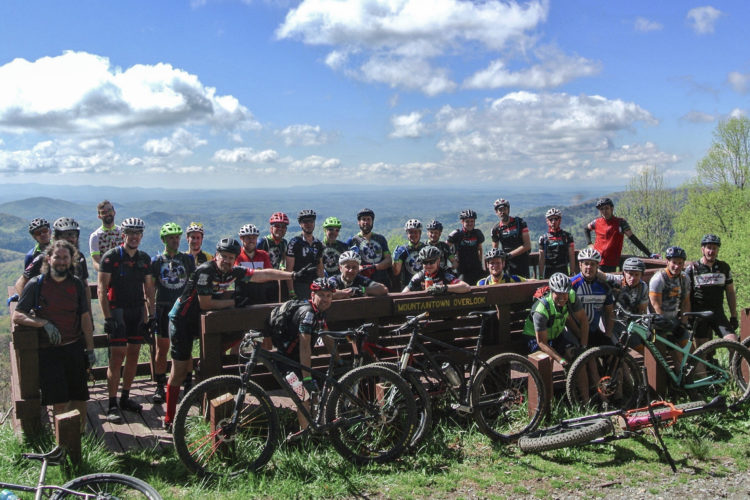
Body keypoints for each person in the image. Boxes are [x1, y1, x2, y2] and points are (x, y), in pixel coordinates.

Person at [163, 237, 310, 430]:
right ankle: (169, 419)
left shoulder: (232, 271)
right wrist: (233, 303)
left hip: (203, 320)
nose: (226, 261)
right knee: (180, 371)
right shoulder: (205, 271)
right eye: (223, 256)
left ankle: (199, 383)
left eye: (231, 257)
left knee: (230, 340)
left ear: (235, 259)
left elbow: (261, 274)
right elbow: (205, 303)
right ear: (216, 255)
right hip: (182, 320)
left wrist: (292, 276)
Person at [12, 240, 95, 431]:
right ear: (49, 259)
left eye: (66, 257)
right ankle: (63, 441)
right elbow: (18, 314)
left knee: (80, 396)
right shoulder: (36, 284)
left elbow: (84, 318)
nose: (61, 261)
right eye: (57, 257)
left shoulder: (75, 284)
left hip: (74, 346)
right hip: (50, 351)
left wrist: (89, 349)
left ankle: (80, 439)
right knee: (59, 400)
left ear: (71, 260)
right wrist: (44, 323)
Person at [98, 217, 155, 423]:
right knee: (117, 357)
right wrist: (107, 317)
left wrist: (152, 315)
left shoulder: (144, 259)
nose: (134, 237)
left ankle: (125, 398)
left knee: (133, 355)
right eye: (130, 233)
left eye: (137, 233)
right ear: (123, 235)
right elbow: (101, 289)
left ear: (141, 236)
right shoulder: (111, 257)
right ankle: (111, 403)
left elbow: (149, 289)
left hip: (137, 310)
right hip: (118, 310)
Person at [271, 277, 336, 431]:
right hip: (285, 362)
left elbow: (326, 336)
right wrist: (306, 377)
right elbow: (304, 346)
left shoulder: (319, 311)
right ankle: (306, 435)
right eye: (321, 295)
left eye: (329, 295)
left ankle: (311, 430)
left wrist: (338, 360)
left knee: (310, 394)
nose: (325, 299)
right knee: (303, 396)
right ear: (312, 295)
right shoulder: (308, 314)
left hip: (296, 361)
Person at [146, 222, 196, 404]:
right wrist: (150, 313)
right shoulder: (156, 261)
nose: (175, 241)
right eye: (171, 238)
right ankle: (160, 386)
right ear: (163, 240)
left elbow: (194, 283)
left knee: (187, 347)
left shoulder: (188, 259)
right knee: (162, 348)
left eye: (177, 237)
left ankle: (189, 385)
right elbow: (150, 289)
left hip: (183, 309)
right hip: (163, 307)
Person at [16, 218, 91, 313]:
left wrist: (88, 313)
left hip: (75, 313)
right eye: (65, 235)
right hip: (48, 314)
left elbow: (85, 287)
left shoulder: (80, 258)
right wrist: (28, 305)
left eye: (73, 235)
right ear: (57, 238)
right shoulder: (43, 258)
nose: (70, 238)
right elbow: (20, 283)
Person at [522, 273, 589, 370]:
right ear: (552, 291)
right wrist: (561, 360)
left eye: (565, 293)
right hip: (535, 338)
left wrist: (583, 347)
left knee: (577, 358)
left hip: (556, 336)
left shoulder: (571, 296)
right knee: (547, 360)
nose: (562, 297)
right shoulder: (541, 310)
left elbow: (583, 319)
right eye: (558, 293)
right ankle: (546, 385)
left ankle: (582, 385)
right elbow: (542, 342)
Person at [685, 234, 738, 345]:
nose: (711, 251)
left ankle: (733, 363)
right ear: (702, 249)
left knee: (734, 343)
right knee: (702, 352)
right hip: (699, 315)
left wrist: (733, 315)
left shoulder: (724, 267)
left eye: (714, 248)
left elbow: (730, 292)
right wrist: (688, 317)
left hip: (718, 313)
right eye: (709, 247)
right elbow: (686, 296)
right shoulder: (692, 268)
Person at [584, 197, 653, 272]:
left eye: (606, 208)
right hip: (596, 259)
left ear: (612, 208)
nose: (604, 211)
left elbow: (633, 238)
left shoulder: (620, 222)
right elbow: (586, 229)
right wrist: (590, 244)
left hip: (610, 262)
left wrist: (649, 253)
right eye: (601, 209)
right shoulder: (596, 222)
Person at [648, 246, 691, 365]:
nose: (677, 266)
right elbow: (656, 306)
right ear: (667, 262)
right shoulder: (658, 279)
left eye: (680, 263)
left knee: (690, 352)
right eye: (674, 262)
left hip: (675, 321)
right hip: (658, 323)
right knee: (666, 355)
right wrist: (669, 329)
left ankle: (696, 379)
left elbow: (686, 303)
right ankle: (673, 381)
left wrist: (683, 323)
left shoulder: (684, 278)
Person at [597, 257, 649, 351]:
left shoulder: (643, 287)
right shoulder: (617, 281)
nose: (633, 278)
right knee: (616, 351)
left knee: (644, 350)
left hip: (631, 324)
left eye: (637, 275)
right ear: (624, 272)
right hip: (612, 324)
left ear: (641, 275)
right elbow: (600, 274)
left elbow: (642, 311)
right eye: (630, 274)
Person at [570, 248, 617, 346]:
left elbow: (609, 312)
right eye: (586, 263)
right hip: (574, 332)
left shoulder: (604, 285)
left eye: (592, 264)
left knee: (615, 356)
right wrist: (579, 335)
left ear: (597, 266)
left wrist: (607, 336)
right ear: (580, 265)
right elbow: (566, 315)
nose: (589, 267)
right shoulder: (572, 284)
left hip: (594, 331)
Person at [346, 208, 392, 287]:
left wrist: (374, 267)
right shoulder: (352, 241)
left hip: (383, 281)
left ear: (372, 221)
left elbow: (388, 260)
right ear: (359, 222)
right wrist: (359, 268)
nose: (366, 222)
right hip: (362, 283)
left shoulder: (381, 239)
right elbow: (347, 264)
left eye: (368, 219)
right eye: (363, 219)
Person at [286, 210, 324, 299]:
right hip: (299, 284)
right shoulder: (294, 243)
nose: (309, 224)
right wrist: (291, 291)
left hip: (315, 284)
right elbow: (289, 269)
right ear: (300, 224)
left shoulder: (318, 244)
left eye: (311, 221)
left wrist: (323, 286)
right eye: (305, 221)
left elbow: (320, 268)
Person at [402, 246, 470, 294]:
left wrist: (444, 288)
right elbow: (403, 295)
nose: (428, 265)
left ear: (438, 261)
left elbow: (466, 287)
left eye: (431, 262)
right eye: (425, 262)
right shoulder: (418, 276)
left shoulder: (445, 274)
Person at [490, 198, 531, 278]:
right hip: (507, 265)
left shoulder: (520, 222)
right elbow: (495, 250)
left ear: (508, 210)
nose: (502, 212)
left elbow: (527, 245)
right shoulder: (496, 229)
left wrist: (509, 255)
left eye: (504, 209)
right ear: (496, 212)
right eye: (500, 210)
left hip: (522, 262)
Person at [234, 223, 273, 306]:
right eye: (248, 238)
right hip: (242, 299)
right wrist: (261, 276)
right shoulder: (237, 255)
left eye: (254, 238)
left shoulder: (263, 255)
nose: (251, 240)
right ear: (241, 238)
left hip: (261, 298)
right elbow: (237, 276)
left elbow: (269, 275)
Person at [258, 212, 291, 301]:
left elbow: (283, 258)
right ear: (271, 228)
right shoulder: (263, 242)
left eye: (283, 227)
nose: (280, 229)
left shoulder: (284, 243)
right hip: (262, 280)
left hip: (276, 279)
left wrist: (282, 267)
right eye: (277, 226)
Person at [447, 209, 485, 287]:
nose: (470, 223)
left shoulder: (477, 233)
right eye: (467, 221)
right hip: (462, 269)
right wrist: (453, 261)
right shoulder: (456, 234)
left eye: (472, 221)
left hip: (476, 267)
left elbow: (480, 249)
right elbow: (445, 248)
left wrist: (481, 263)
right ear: (462, 222)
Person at [538, 208, 576, 279]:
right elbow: (541, 258)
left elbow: (571, 255)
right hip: (549, 270)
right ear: (547, 221)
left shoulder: (567, 236)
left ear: (560, 220)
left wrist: (572, 272)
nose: (553, 221)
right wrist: (540, 275)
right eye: (550, 219)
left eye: (556, 219)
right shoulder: (543, 238)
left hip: (563, 269)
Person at [89, 200, 122, 272]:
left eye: (109, 210)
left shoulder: (123, 232)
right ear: (99, 216)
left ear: (114, 212)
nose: (107, 214)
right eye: (103, 212)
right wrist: (104, 272)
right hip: (106, 277)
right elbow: (96, 261)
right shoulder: (95, 236)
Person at [392, 219, 425, 290]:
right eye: (410, 232)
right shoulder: (402, 250)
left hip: (423, 285)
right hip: (407, 286)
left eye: (416, 232)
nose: (413, 235)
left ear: (420, 233)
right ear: (407, 234)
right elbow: (396, 272)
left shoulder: (425, 248)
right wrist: (395, 260)